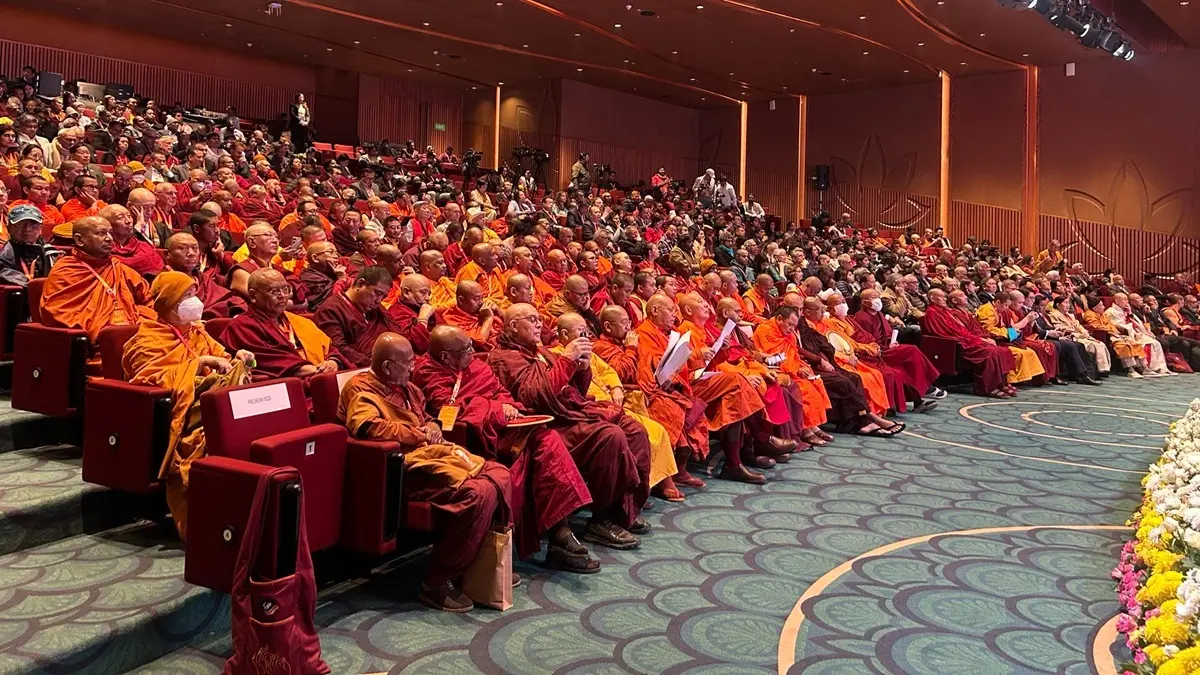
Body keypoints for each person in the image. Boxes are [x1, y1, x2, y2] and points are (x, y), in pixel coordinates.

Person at [339, 333, 513, 612]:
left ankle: (481, 563)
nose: (413, 368)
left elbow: (427, 418)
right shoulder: (361, 390)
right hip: (404, 467)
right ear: (386, 367)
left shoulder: (407, 386)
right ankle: (436, 581)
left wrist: (431, 427)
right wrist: (418, 435)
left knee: (499, 473)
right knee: (477, 492)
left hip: (432, 455)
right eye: (407, 363)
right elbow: (367, 427)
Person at [412, 325, 601, 572]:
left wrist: (505, 406)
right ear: (446, 357)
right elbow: (447, 410)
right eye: (466, 349)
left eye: (471, 345)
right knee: (539, 451)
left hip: (503, 431)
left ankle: (560, 531)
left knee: (546, 441)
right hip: (475, 440)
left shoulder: (476, 367)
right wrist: (495, 410)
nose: (473, 352)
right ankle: (559, 536)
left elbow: (502, 393)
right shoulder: (427, 372)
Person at [488, 303, 651, 550]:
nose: (539, 324)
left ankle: (623, 509)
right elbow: (534, 396)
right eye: (531, 320)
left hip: (570, 413)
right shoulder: (505, 357)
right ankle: (601, 519)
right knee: (610, 436)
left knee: (635, 430)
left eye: (538, 319)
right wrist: (566, 360)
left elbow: (575, 391)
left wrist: (582, 369)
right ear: (512, 326)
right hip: (547, 423)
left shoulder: (541, 350)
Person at [121, 271, 253, 540]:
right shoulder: (145, 340)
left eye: (194, 294)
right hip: (180, 414)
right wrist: (197, 365)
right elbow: (148, 379)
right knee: (205, 440)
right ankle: (206, 529)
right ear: (169, 302)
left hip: (213, 406)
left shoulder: (198, 333)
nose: (194, 301)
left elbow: (223, 359)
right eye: (186, 296)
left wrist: (240, 357)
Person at [635, 294, 769, 484]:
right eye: (671, 310)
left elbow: (701, 364)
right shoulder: (646, 333)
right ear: (655, 310)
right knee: (738, 382)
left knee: (735, 394)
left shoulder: (671, 331)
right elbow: (658, 366)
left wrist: (720, 350)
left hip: (692, 381)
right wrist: (699, 354)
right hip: (676, 386)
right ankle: (746, 453)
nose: (675, 314)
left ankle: (738, 459)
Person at [551, 313, 679, 499]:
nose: (586, 336)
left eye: (587, 331)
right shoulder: (558, 356)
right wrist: (630, 350)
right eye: (581, 332)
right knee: (643, 431)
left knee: (657, 429)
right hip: (593, 408)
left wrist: (617, 387)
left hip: (613, 403)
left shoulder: (591, 353)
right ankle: (637, 489)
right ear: (563, 335)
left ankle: (655, 483)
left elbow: (609, 372)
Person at [41, 215, 156, 346]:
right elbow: (57, 312)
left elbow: (148, 300)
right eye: (101, 233)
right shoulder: (66, 270)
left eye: (110, 233)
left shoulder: (119, 268)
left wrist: (135, 321)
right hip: (97, 345)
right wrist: (102, 326)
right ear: (79, 240)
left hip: (133, 337)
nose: (110, 239)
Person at [221, 269, 348, 381]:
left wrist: (333, 361)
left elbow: (331, 348)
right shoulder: (242, 326)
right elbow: (272, 363)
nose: (282, 296)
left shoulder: (300, 321)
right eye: (274, 291)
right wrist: (317, 370)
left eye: (285, 289)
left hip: (320, 376)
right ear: (253, 295)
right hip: (290, 386)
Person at [922, 289, 1021, 397]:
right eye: (942, 297)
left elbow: (961, 330)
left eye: (945, 297)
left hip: (966, 340)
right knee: (990, 353)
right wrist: (977, 340)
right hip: (958, 345)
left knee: (1002, 350)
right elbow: (946, 333)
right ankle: (987, 388)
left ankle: (1001, 384)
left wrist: (980, 338)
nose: (945, 299)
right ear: (932, 298)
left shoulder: (945, 312)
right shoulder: (932, 313)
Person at [314, 266, 402, 368]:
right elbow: (338, 348)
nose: (379, 301)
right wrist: (375, 365)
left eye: (383, 297)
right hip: (365, 369)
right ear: (360, 284)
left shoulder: (375, 308)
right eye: (377, 293)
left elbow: (395, 330)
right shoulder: (330, 310)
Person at [164, 232, 244, 319]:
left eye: (195, 248)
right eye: (183, 248)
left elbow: (229, 299)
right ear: (167, 254)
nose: (191, 253)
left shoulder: (201, 278)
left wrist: (236, 313)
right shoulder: (160, 282)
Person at [1104, 292, 1170, 376]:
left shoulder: (1127, 311)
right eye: (1125, 300)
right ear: (1117, 301)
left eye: (1127, 300)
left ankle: (1161, 368)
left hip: (1133, 333)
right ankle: (1146, 368)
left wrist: (1130, 314)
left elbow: (1136, 323)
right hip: (1121, 335)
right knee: (1147, 343)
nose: (1127, 302)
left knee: (1155, 342)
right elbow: (1120, 326)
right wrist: (1133, 331)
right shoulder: (1111, 311)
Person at [0, 203, 61, 286]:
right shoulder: (3, 256)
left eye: (33, 224)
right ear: (9, 228)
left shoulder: (53, 255)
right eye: (20, 224)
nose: (27, 229)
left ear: (41, 228)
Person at [439, 280, 500, 351]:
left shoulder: (482, 310)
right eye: (476, 299)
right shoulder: (451, 320)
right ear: (461, 300)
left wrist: (499, 311)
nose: (481, 302)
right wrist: (488, 319)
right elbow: (478, 343)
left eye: (482, 298)